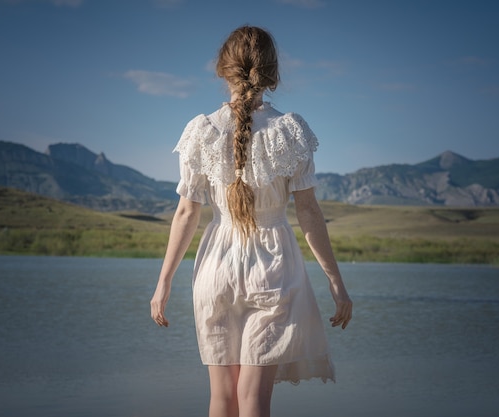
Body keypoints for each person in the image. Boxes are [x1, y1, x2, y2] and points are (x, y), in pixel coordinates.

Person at [150, 25, 353, 417]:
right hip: (273, 265)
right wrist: (336, 283)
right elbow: (309, 212)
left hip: (214, 266)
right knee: (253, 398)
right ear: (272, 73)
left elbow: (186, 212)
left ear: (223, 70)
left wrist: (163, 283)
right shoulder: (289, 130)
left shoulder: (200, 130)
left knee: (222, 397)